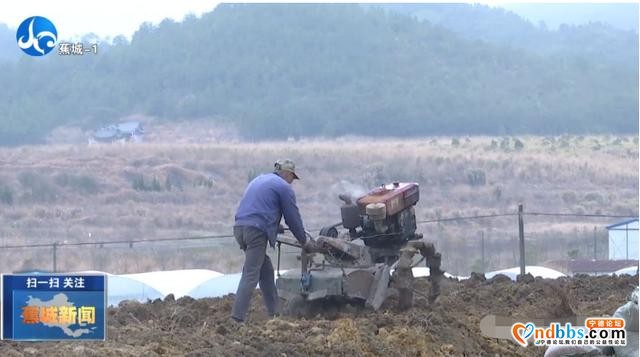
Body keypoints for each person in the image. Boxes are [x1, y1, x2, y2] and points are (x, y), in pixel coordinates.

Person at [231, 159, 311, 322]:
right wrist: (304, 241)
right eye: (292, 178)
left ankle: (275, 314)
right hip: (255, 231)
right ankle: (236, 319)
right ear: (287, 173)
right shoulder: (284, 188)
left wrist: (274, 225)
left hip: (240, 228)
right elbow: (292, 218)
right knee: (251, 273)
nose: (292, 182)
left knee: (266, 271)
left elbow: (257, 208)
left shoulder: (259, 180)